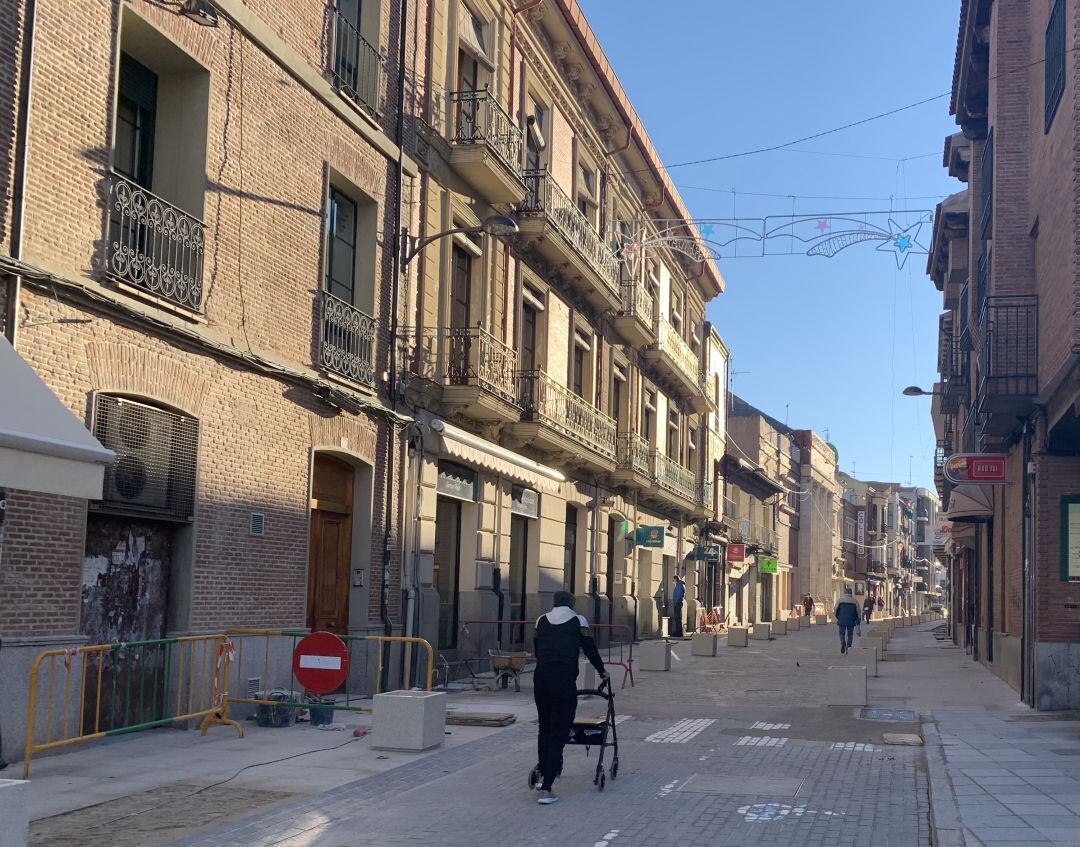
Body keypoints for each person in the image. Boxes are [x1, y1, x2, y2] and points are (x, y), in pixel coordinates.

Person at [532, 590, 607, 806]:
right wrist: (602, 671)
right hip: (564, 681)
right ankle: (547, 788)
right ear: (572, 603)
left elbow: (537, 648)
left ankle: (543, 772)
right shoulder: (579, 620)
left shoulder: (541, 620)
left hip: (541, 679)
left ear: (554, 603)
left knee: (544, 728)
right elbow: (590, 649)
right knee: (559, 731)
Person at [835, 587, 861, 654]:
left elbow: (835, 609)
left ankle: (843, 642)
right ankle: (848, 647)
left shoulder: (840, 600)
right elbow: (858, 612)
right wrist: (858, 621)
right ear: (851, 593)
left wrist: (838, 617)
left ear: (845, 593)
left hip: (842, 620)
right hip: (851, 620)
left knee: (841, 633)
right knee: (850, 634)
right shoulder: (855, 601)